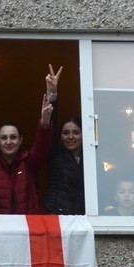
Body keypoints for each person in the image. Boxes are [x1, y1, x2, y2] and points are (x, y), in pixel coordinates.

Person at [0, 95, 53, 214]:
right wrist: (5, 226)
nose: (8, 142)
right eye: (4, 138)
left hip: (30, 227)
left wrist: (45, 123)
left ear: (20, 140)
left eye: (13, 137)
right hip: (1, 229)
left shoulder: (29, 161)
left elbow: (41, 146)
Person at [42, 65, 86, 215]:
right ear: (60, 136)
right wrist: (52, 94)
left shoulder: (92, 160)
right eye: (66, 133)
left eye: (76, 133)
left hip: (82, 220)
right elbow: (50, 129)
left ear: (83, 135)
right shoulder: (56, 154)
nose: (70, 137)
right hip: (56, 216)